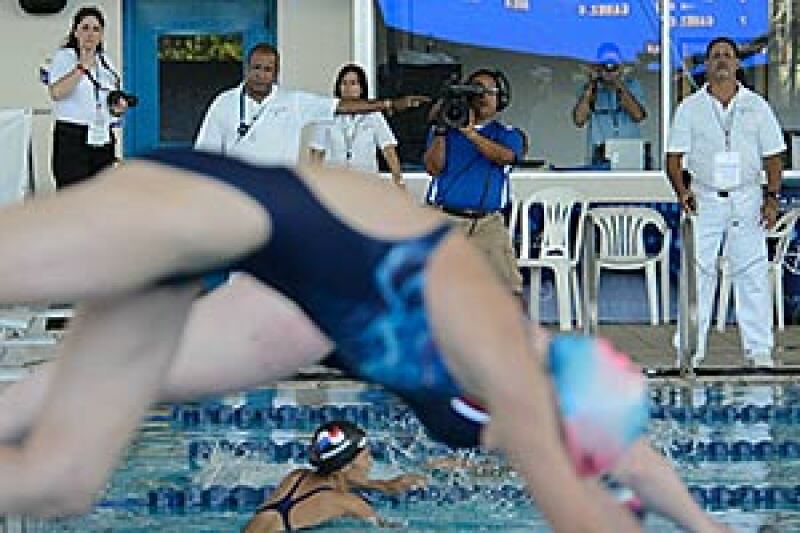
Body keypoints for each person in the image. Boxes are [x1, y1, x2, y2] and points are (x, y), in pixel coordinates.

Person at [0, 148, 643, 531]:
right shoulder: (443, 299)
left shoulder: (362, 362)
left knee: (66, 479)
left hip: (202, 260)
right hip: (190, 208)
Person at [667, 36, 786, 368]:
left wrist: (772, 198)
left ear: (737, 64)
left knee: (752, 276)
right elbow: (673, 159)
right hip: (705, 199)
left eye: (727, 56)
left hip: (747, 198)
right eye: (715, 56)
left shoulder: (756, 105)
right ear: (706, 64)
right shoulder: (689, 108)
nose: (721, 60)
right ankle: (689, 350)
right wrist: (682, 191)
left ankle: (759, 351)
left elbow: (774, 156)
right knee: (698, 275)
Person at [195, 43, 427, 167]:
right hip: (237, 194)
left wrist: (390, 104)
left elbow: (340, 107)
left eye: (268, 70)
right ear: (247, 68)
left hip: (280, 193)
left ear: (276, 73)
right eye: (256, 68)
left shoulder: (294, 102)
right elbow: (205, 153)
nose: (261, 75)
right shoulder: (223, 103)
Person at [423, 68, 524, 297]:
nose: (482, 97)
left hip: (487, 223)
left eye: (489, 91)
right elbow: (433, 168)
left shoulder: (507, 133)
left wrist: (471, 134)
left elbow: (506, 157)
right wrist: (441, 130)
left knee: (509, 292)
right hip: (445, 219)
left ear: (501, 99)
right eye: (476, 90)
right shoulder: (446, 131)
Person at [243, 421, 425, 531]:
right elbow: (387, 528)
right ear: (346, 465)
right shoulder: (350, 503)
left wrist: (385, 486)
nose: (370, 462)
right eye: (366, 456)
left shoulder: (296, 477)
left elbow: (332, 483)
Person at [47, 6, 130, 188]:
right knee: (73, 195)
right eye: (85, 28)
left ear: (101, 34)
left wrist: (117, 109)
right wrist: (82, 68)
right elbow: (56, 93)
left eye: (96, 29)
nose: (90, 34)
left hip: (101, 135)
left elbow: (106, 99)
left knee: (101, 193)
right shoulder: (65, 57)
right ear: (75, 32)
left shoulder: (105, 61)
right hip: (72, 136)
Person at [308, 64, 405, 189]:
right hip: (334, 185)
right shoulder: (326, 114)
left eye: (353, 83)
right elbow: (316, 153)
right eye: (344, 83)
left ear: (361, 87)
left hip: (367, 185)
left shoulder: (374, 114)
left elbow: (388, 149)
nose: (348, 88)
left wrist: (398, 180)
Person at [572, 42, 647, 165]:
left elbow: (638, 116)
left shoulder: (632, 85)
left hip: (630, 151)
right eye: (604, 64)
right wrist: (592, 83)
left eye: (613, 64)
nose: (609, 68)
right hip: (599, 153)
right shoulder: (589, 89)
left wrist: (618, 82)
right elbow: (579, 120)